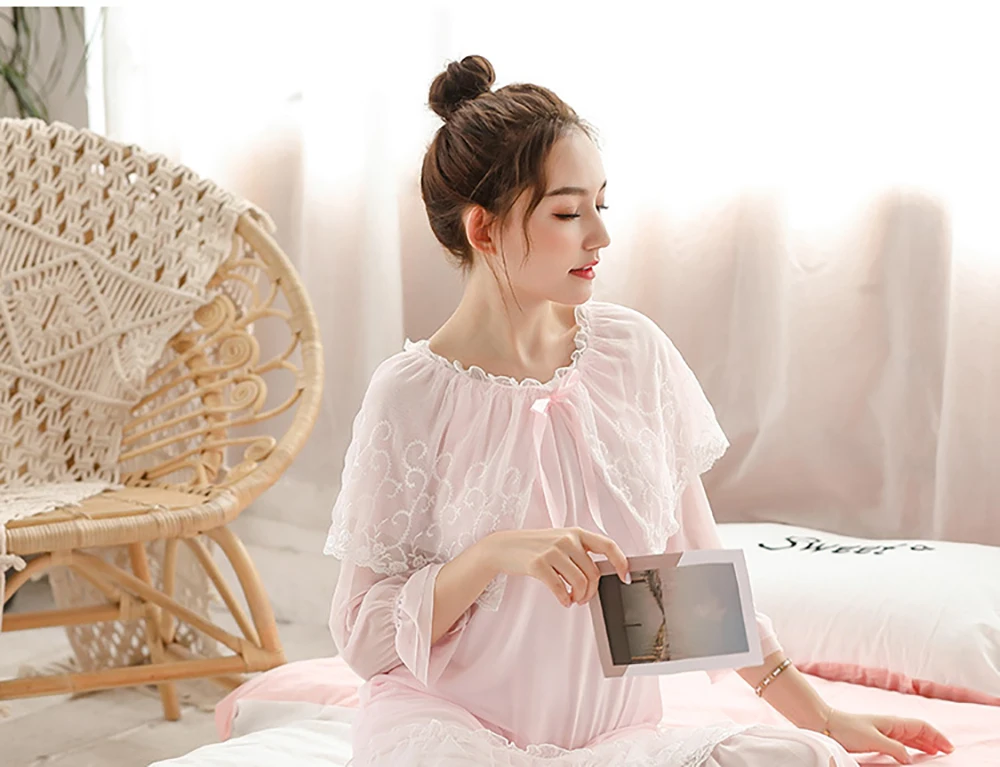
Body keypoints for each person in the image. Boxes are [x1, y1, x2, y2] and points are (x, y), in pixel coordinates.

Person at [324, 55, 955, 767]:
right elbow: (365, 639)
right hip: (452, 735)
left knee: (801, 759)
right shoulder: (412, 393)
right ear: (484, 230)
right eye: (568, 212)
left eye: (602, 204)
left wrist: (826, 719)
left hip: (616, 744)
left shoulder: (631, 353)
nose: (599, 235)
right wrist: (490, 556)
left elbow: (696, 588)